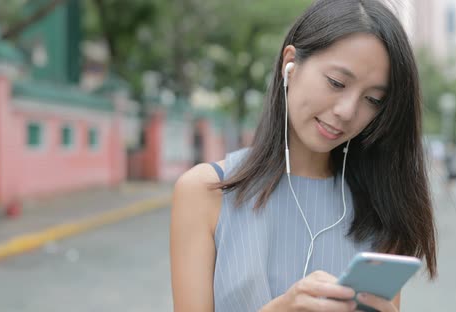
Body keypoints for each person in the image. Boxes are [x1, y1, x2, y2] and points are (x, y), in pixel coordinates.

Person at [170, 0, 438, 311]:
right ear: (290, 65)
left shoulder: (379, 207)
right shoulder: (207, 191)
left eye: (373, 99)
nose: (347, 111)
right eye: (336, 83)